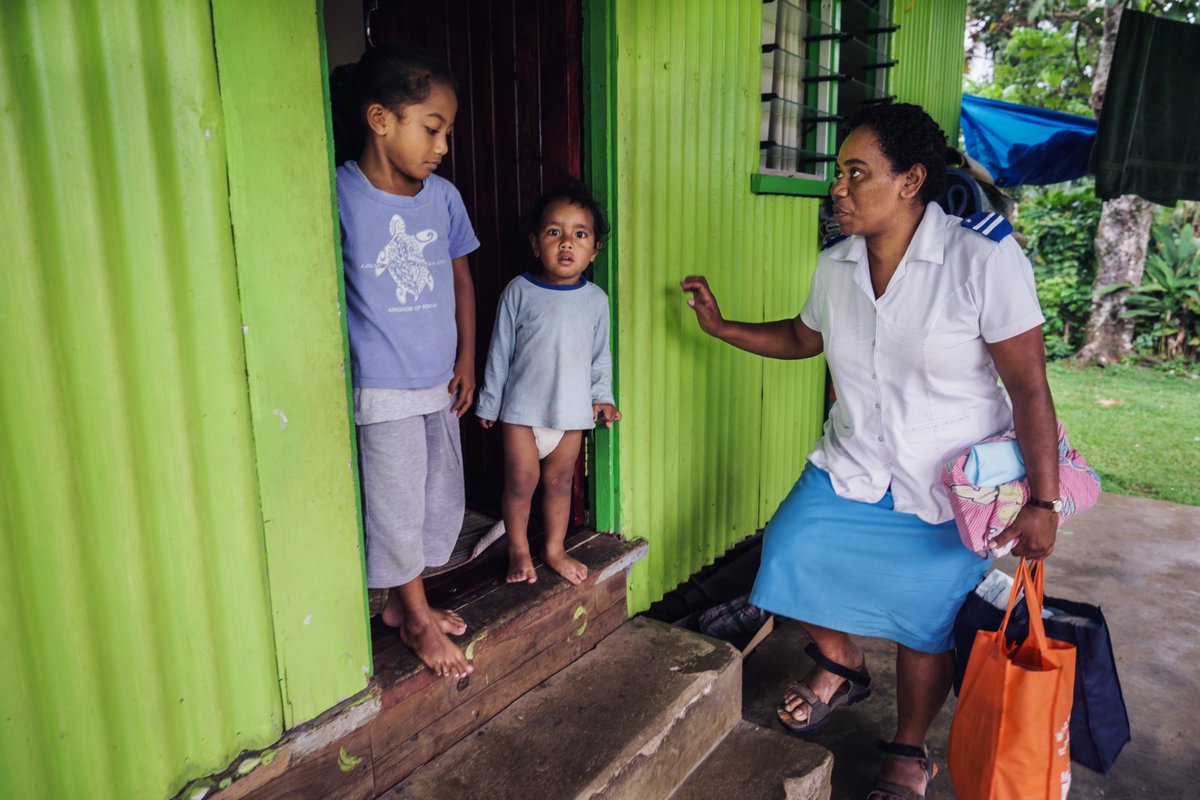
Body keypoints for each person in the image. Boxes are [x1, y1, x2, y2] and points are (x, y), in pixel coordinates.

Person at [681, 103, 1061, 800]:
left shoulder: (981, 259)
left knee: (924, 627)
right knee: (786, 556)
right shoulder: (836, 266)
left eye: (858, 173)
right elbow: (805, 338)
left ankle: (909, 749)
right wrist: (723, 327)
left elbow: (1029, 388)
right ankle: (842, 663)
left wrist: (1043, 500)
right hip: (852, 465)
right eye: (837, 173)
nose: (839, 188)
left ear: (912, 180)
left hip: (948, 488)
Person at [335, 46, 478, 679]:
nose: (442, 144)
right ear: (380, 119)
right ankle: (417, 615)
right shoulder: (339, 193)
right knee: (394, 503)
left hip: (438, 377)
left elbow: (462, 279)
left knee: (435, 498)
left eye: (447, 132)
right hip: (382, 384)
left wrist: (468, 357)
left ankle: (399, 602)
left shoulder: (442, 200)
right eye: (432, 127)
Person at [476, 182, 620, 586]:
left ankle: (554, 548)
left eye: (580, 234)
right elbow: (498, 352)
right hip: (521, 411)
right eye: (554, 232)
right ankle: (518, 549)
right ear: (536, 244)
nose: (566, 243)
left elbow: (600, 355)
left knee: (559, 483)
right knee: (521, 483)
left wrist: (602, 397)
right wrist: (489, 403)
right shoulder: (518, 291)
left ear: (594, 251)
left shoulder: (596, 300)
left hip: (570, 413)